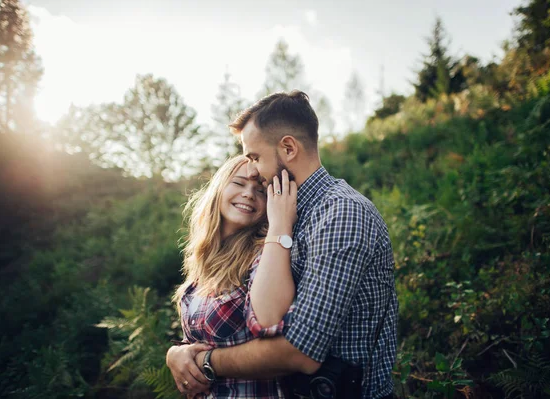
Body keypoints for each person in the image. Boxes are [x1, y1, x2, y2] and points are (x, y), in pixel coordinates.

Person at [168, 91, 398, 399]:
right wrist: (177, 353)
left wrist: (205, 361)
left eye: (255, 158)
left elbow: (300, 351)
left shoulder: (341, 214)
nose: (256, 175)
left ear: (288, 147)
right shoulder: (286, 212)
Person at [168, 155, 300, 398]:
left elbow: (272, 327)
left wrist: (281, 223)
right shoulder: (204, 259)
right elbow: (199, 340)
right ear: (219, 189)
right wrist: (176, 354)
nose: (249, 194)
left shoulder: (266, 254)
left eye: (260, 190)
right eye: (239, 184)